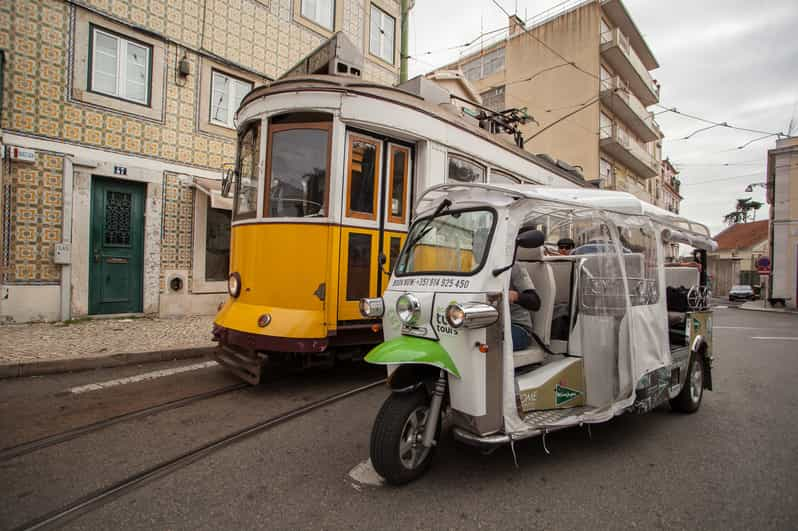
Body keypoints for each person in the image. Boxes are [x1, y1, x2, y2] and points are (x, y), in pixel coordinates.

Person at [509, 261, 541, 351]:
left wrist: (515, 296)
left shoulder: (514, 266)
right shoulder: (477, 268)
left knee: (490, 345)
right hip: (490, 325)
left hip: (517, 326)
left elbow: (535, 302)